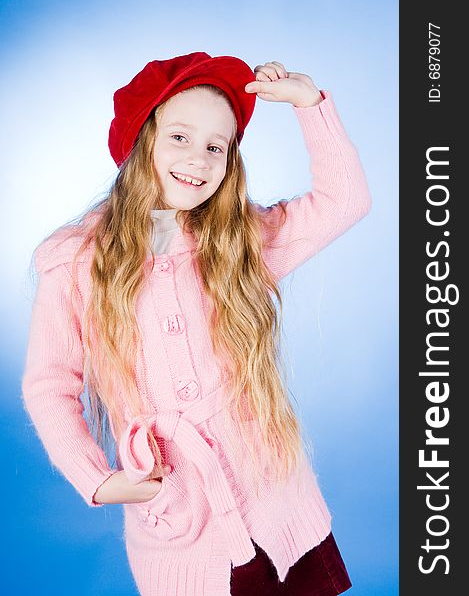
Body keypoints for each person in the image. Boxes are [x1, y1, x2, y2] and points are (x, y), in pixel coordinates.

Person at [21, 51, 372, 595]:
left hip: (274, 503)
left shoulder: (237, 243)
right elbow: (50, 384)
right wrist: (97, 478)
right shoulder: (75, 260)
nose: (199, 160)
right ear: (143, 141)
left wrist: (311, 105)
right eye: (180, 138)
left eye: (217, 147)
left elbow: (344, 200)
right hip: (183, 521)